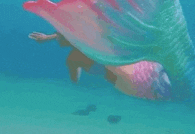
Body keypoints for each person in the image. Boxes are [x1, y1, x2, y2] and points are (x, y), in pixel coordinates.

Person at [29, 31, 172, 100]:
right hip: (126, 67)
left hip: (120, 73)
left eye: (59, 36)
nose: (57, 38)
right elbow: (68, 34)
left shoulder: (77, 55)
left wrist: (75, 87)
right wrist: (47, 38)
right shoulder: (85, 43)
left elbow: (75, 78)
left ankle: (157, 91)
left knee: (149, 89)